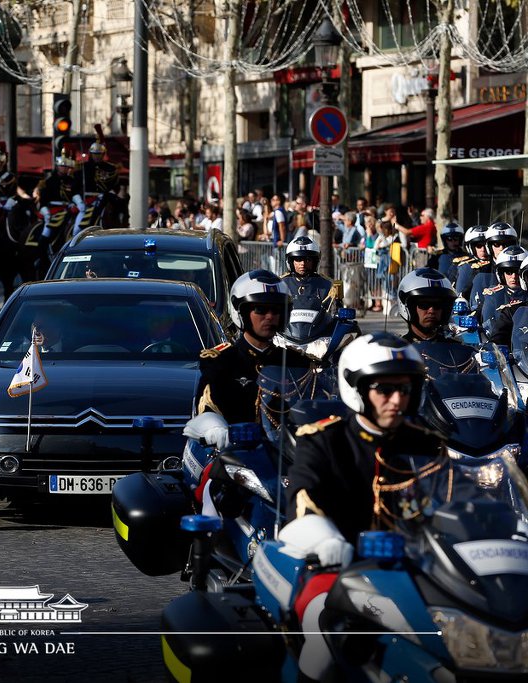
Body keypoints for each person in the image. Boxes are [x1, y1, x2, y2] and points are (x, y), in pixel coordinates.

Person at [281, 332, 445, 682]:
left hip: (420, 569)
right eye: (385, 390)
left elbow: (457, 496)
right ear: (357, 389)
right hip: (339, 568)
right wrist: (324, 539)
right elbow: (303, 499)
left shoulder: (427, 442)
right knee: (325, 631)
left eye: (406, 389)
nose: (397, 400)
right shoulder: (325, 439)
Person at [193, 270, 308, 428]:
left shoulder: (297, 363)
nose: (269, 317)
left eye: (276, 310)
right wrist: (213, 426)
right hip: (234, 450)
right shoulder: (221, 361)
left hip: (287, 450)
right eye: (260, 309)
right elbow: (206, 407)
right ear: (242, 312)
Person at [396, 267, 460, 344]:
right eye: (424, 305)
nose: (432, 311)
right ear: (410, 307)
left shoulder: (456, 350)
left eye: (438, 305)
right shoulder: (397, 351)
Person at [481, 247, 528, 345]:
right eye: (509, 272)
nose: (514, 277)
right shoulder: (509, 309)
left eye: (517, 272)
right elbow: (497, 340)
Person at [281, 235, 337, 303]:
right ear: (290, 261)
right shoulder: (282, 284)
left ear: (315, 262)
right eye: (298, 259)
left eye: (308, 260)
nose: (303, 264)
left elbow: (334, 311)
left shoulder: (327, 285)